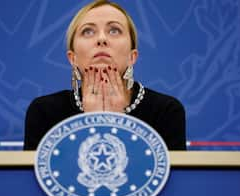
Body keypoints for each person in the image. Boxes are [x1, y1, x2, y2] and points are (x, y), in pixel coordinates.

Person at [24, 0, 186, 150]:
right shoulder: (44, 112)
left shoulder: (166, 112)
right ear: (72, 58)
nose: (101, 39)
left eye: (114, 30)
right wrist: (90, 123)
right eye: (88, 31)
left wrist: (118, 123)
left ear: (132, 56)